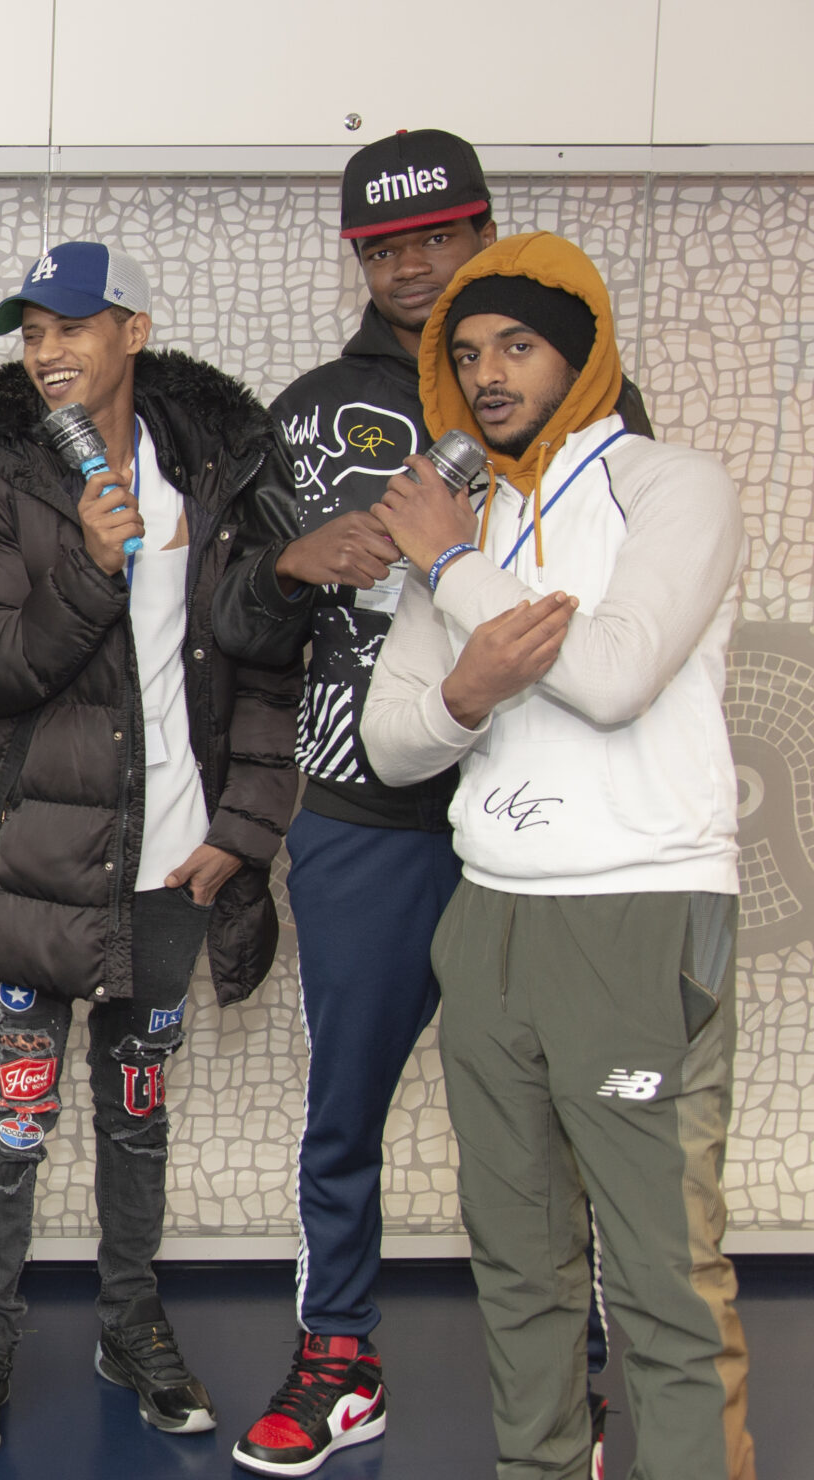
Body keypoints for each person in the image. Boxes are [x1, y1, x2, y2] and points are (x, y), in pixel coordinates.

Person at [221, 132, 623, 1477]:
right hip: (362, 813)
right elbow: (232, 621)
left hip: (547, 805)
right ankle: (338, 1360)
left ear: (484, 232)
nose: (412, 267)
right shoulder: (311, 410)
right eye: (384, 246)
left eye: (438, 238)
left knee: (562, 1109)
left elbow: (630, 612)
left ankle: (576, 1376)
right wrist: (291, 562)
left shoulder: (584, 398)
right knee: (344, 1106)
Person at [362, 231, 755, 1480]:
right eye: (470, 353)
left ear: (578, 357)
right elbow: (392, 742)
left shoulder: (671, 484)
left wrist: (453, 567)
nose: (488, 375)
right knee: (517, 1259)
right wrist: (467, 691)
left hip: (639, 912)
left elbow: (613, 675)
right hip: (489, 919)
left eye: (518, 346)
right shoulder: (465, 518)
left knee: (659, 1273)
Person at [0, 241, 301, 1461]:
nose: (47, 352)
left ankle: (131, 1323)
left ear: (131, 332)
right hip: (34, 863)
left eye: (72, 327)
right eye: (31, 332)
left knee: (137, 1113)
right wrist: (91, 575)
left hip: (175, 868)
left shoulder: (219, 478)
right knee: (16, 1119)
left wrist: (243, 830)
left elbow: (264, 669)